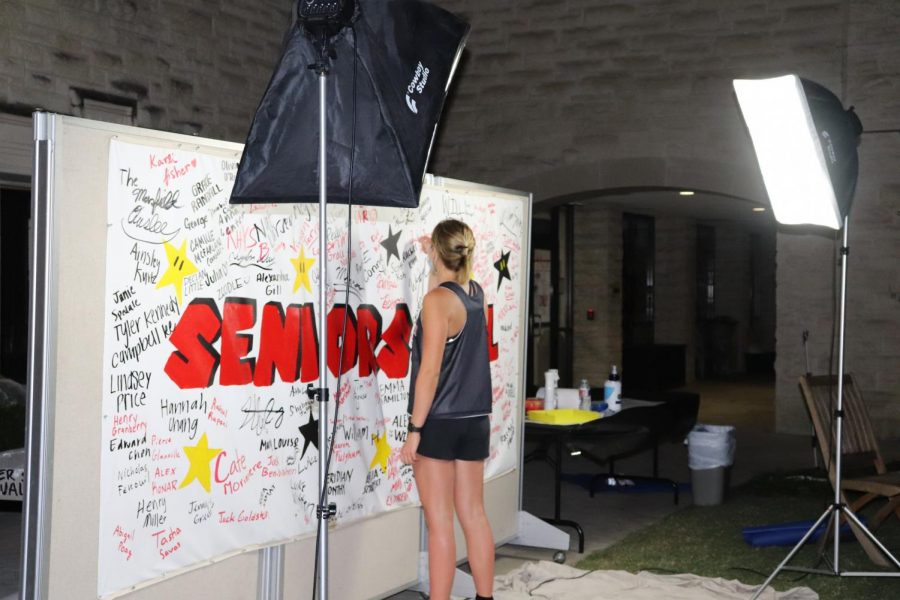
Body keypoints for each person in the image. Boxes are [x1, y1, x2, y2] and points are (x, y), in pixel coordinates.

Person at [399, 219, 494, 600]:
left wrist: (414, 430)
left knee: (440, 525)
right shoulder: (475, 292)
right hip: (475, 421)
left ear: (438, 252)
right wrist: (433, 260)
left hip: (438, 422)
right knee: (473, 515)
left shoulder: (436, 302)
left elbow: (429, 371)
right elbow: (439, 304)